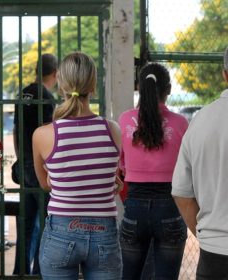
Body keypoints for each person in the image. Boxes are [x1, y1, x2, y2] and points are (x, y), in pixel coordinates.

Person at [33, 51, 122, 279]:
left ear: (61, 84)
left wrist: (57, 178)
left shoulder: (43, 134)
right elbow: (108, 179)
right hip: (104, 232)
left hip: (61, 231)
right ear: (93, 86)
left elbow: (45, 185)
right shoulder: (113, 130)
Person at [118, 62, 188, 280]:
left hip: (134, 208)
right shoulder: (181, 123)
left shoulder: (124, 120)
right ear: (168, 90)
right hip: (171, 207)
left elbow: (121, 166)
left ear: (140, 87)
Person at [172, 47, 228, 280]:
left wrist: (207, 234)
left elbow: (182, 193)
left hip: (214, 255)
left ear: (225, 74)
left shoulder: (201, 121)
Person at [13, 53, 58, 275]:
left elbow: (15, 131)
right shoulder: (47, 98)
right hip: (40, 167)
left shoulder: (23, 94)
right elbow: (48, 135)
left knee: (26, 224)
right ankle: (40, 273)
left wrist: (21, 160)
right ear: (55, 73)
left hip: (24, 165)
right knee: (45, 223)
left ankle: (20, 273)